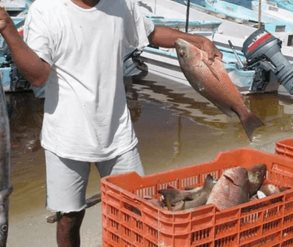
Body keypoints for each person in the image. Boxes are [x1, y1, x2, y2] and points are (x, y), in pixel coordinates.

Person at [0, 0, 222, 246]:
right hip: (66, 137)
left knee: (140, 207)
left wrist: (196, 41)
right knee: (70, 217)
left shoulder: (121, 4)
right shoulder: (46, 9)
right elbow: (38, 76)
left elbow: (151, 33)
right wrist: (8, 28)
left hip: (118, 134)